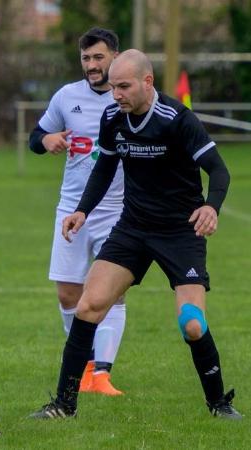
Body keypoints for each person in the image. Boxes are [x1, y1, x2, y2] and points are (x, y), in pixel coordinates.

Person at [30, 49, 241, 420]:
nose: (116, 95)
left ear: (148, 82)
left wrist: (211, 207)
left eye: (124, 86)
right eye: (112, 87)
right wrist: (82, 210)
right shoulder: (113, 117)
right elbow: (105, 167)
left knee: (192, 323)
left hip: (180, 231)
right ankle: (64, 405)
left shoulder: (177, 119)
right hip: (133, 227)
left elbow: (219, 172)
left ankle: (219, 404)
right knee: (88, 306)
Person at [28, 27, 126, 396]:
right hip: (71, 209)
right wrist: (47, 139)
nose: (91, 65)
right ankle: (83, 368)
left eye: (98, 57)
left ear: (115, 57)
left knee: (112, 293)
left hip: (118, 210)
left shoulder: (129, 97)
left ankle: (102, 374)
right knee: (68, 294)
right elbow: (35, 138)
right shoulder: (67, 97)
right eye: (86, 58)